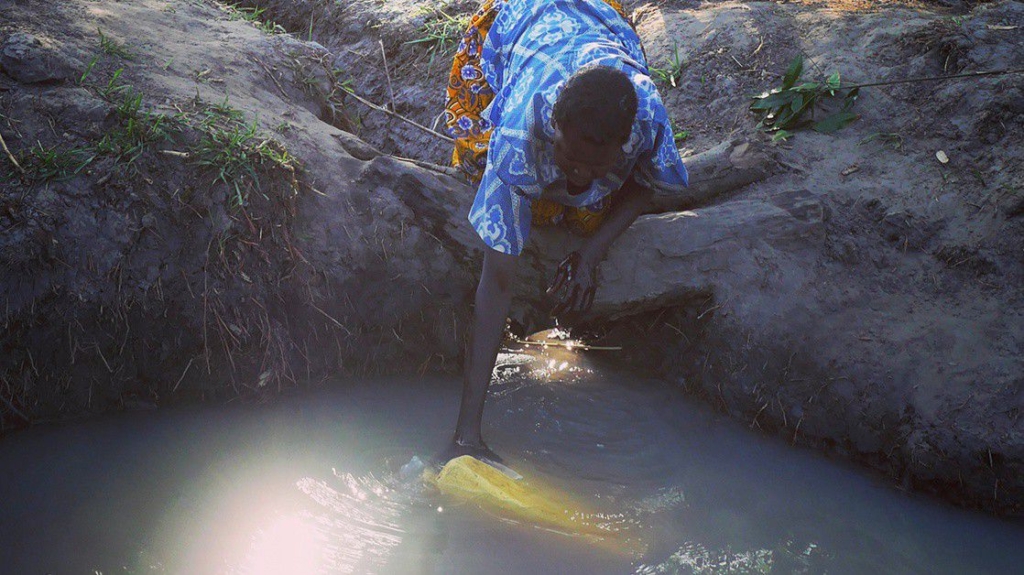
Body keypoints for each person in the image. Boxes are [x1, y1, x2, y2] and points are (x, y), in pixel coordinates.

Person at [439, 0, 688, 463]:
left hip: (594, 18)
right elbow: (496, 281)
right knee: (482, 162)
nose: (578, 172)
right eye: (570, 158)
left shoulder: (645, 112)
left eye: (598, 164)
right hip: (524, 18)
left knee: (582, 211)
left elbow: (649, 185)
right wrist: (466, 436)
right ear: (553, 126)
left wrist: (590, 255)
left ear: (624, 141)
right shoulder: (519, 131)